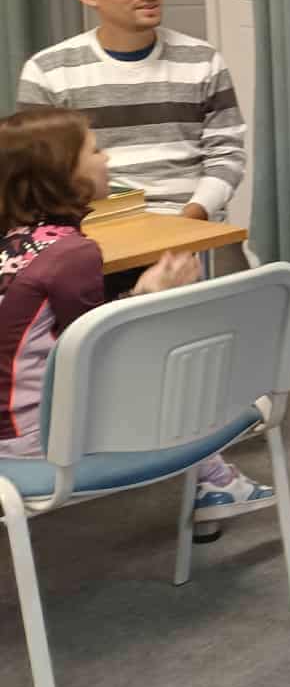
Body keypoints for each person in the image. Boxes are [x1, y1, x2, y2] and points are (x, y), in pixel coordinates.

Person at [0, 109, 274, 518]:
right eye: (95, 151)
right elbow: (97, 354)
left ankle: (215, 480)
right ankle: (217, 481)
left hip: (8, 427)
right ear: (63, 173)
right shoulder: (71, 254)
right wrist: (148, 295)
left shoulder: (17, 243)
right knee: (166, 367)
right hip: (32, 441)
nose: (106, 158)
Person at [16, 0, 248, 227]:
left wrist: (192, 216)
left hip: (193, 220)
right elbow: (42, 171)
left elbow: (227, 155)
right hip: (96, 225)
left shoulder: (203, 60)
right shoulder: (48, 70)